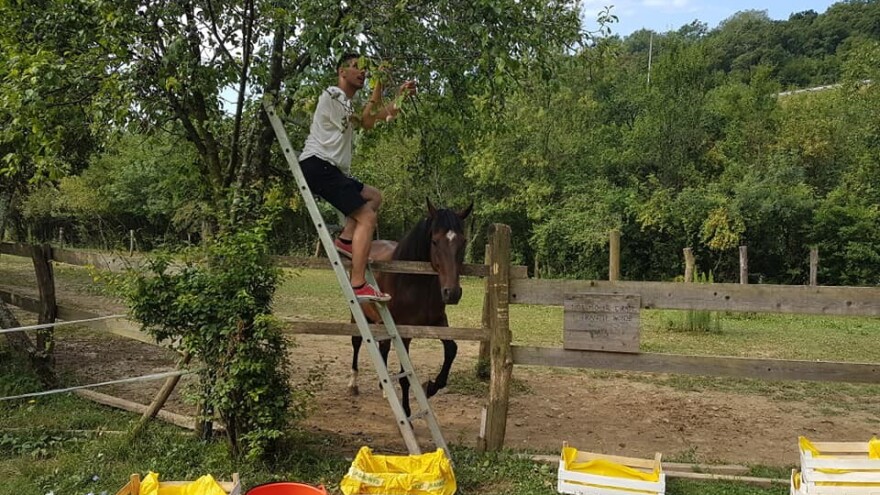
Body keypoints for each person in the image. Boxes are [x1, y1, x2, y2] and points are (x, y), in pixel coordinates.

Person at [299, 53, 415, 302]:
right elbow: (366, 119)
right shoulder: (333, 95)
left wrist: (401, 95)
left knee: (374, 197)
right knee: (367, 217)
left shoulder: (346, 104)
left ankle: (345, 240)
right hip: (318, 165)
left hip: (329, 169)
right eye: (355, 67)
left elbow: (373, 119)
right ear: (341, 72)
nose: (362, 72)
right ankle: (359, 283)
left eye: (364, 69)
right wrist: (379, 84)